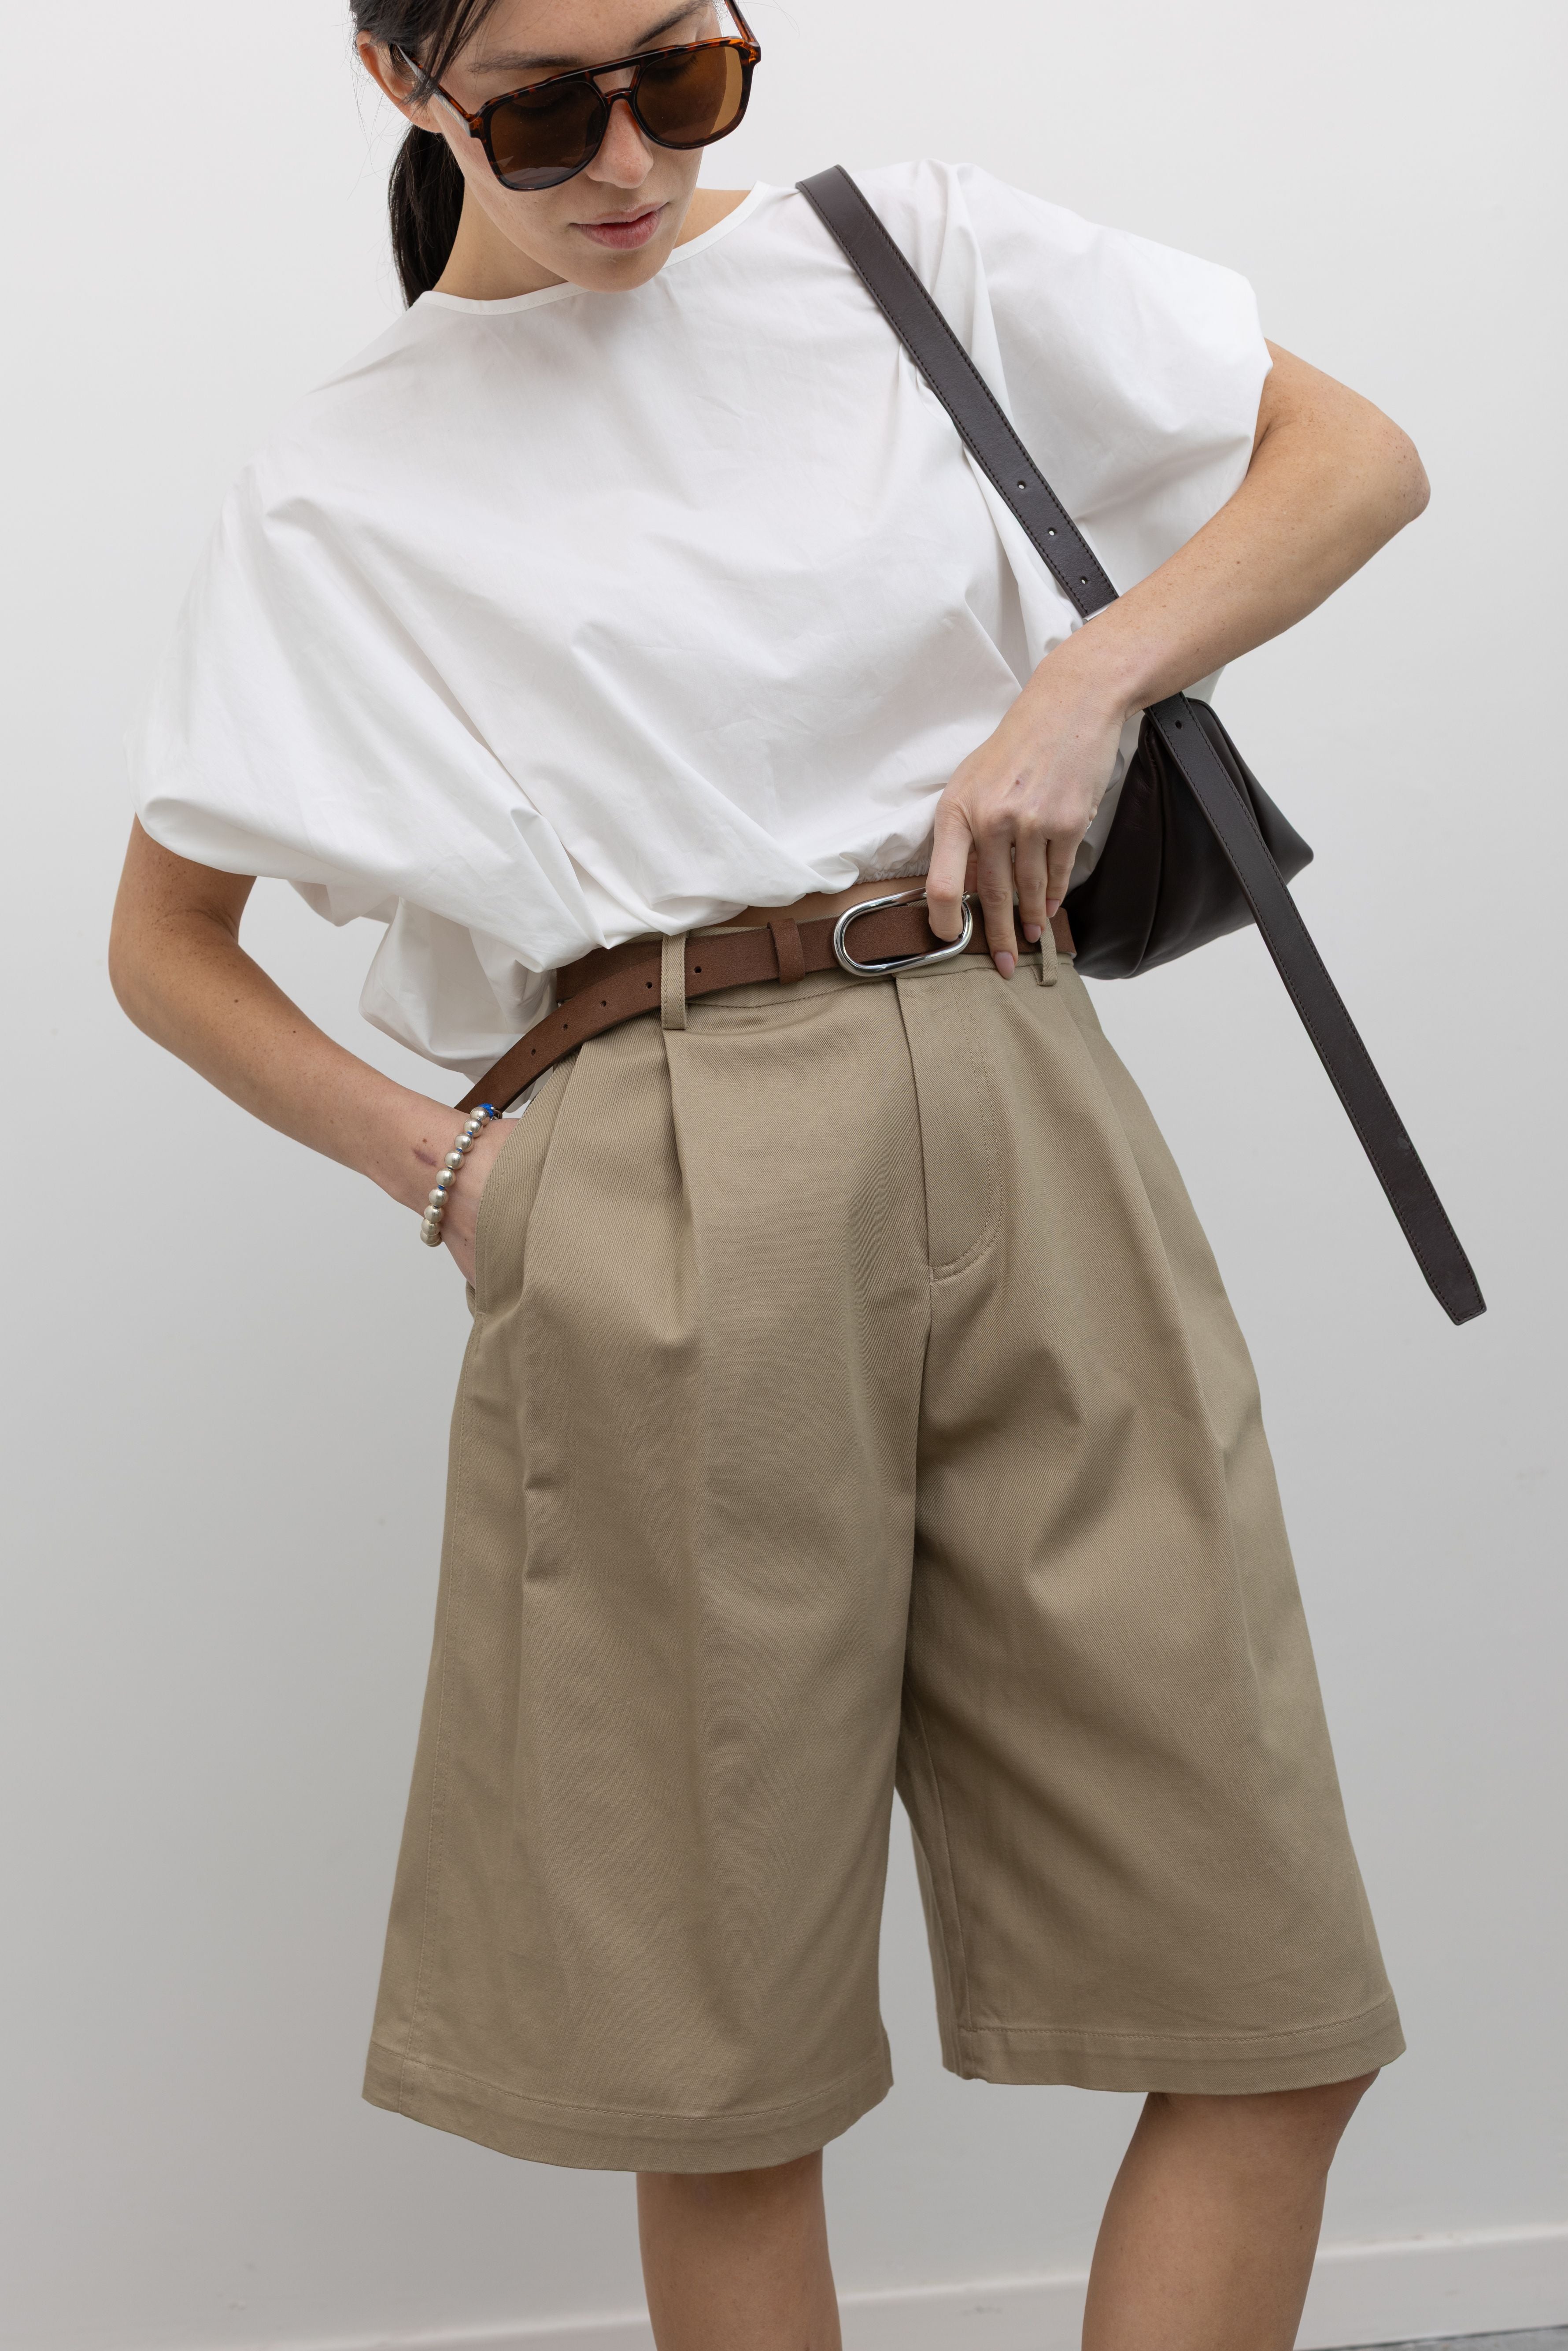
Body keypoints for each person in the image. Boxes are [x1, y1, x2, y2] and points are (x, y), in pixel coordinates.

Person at [109, 3, 1429, 2344]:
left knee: (1263, 1996)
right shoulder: (340, 480)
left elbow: (1347, 460)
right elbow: (165, 946)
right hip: (654, 1154)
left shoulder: (900, 250)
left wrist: (1082, 684)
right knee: (720, 2062)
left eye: (679, 76)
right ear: (401, 86)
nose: (621, 154)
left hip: (1017, 1082)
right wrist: (459, 1179)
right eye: (538, 109)